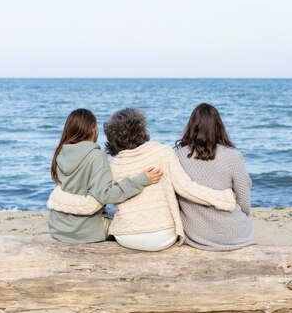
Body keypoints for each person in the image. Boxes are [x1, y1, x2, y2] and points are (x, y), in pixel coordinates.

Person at [48, 108, 236, 251]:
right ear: (142, 129)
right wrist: (224, 199)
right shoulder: (163, 153)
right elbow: (187, 188)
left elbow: (103, 195)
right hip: (163, 238)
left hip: (124, 238)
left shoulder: (108, 163)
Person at [47, 108, 163, 244]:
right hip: (84, 232)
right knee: (124, 225)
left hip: (58, 229)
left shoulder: (60, 153)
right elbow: (106, 195)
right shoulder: (96, 155)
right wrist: (141, 180)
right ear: (92, 129)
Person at [175, 103, 255, 250]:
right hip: (236, 235)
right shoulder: (233, 155)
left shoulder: (178, 156)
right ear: (219, 127)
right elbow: (244, 203)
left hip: (196, 235)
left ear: (191, 126)